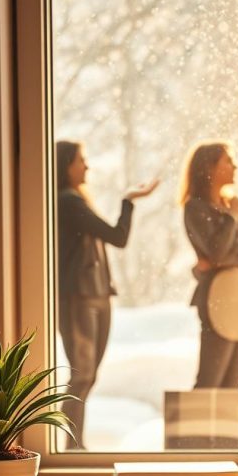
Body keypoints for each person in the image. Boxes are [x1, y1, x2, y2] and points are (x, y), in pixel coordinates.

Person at [56, 140, 158, 448]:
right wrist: (128, 199)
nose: (87, 166)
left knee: (87, 375)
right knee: (83, 374)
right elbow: (118, 236)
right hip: (81, 296)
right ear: (66, 165)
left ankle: (75, 444)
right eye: (81, 160)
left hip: (94, 294)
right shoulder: (68, 201)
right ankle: (72, 446)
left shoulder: (75, 201)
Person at [180, 142, 238, 388]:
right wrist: (232, 219)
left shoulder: (228, 204)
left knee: (232, 385)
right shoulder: (196, 208)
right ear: (209, 167)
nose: (236, 166)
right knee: (209, 382)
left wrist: (223, 258)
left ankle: (224, 419)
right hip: (218, 298)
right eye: (228, 161)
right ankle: (198, 418)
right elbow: (218, 252)